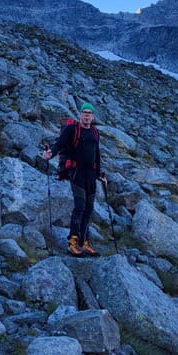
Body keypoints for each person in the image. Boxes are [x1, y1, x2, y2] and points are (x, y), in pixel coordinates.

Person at [42, 102, 106, 257]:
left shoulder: (95, 132)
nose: (86, 115)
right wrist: (51, 152)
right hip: (77, 173)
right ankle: (72, 242)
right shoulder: (72, 130)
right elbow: (60, 143)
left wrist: (100, 175)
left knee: (89, 209)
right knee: (80, 207)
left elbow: (96, 155)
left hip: (91, 176)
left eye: (89, 113)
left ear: (93, 116)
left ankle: (84, 242)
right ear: (80, 115)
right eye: (84, 113)